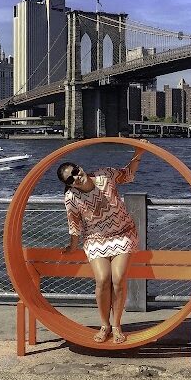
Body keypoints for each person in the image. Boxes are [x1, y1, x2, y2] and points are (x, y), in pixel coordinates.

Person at [57, 144, 147, 344]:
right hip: (95, 239)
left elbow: (128, 175)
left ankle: (116, 325)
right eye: (70, 179)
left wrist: (138, 154)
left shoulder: (105, 176)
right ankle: (104, 324)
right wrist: (72, 245)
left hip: (123, 234)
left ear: (80, 168)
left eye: (75, 172)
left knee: (118, 278)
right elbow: (74, 223)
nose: (75, 178)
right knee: (103, 279)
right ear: (69, 184)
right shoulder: (71, 197)